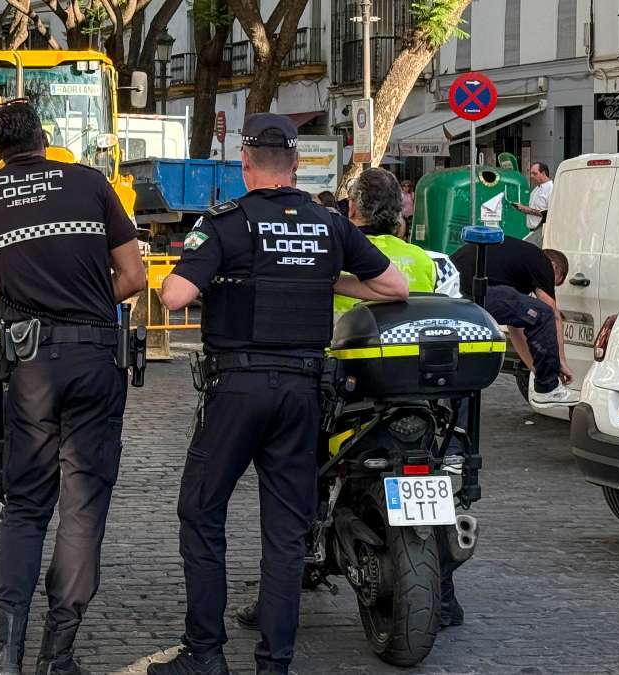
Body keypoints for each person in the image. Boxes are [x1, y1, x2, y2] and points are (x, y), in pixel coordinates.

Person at [148, 114, 409, 675]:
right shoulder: (328, 223)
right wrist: (323, 277)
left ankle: (205, 653)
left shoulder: (223, 223)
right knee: (286, 530)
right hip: (301, 391)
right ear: (295, 167)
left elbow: (173, 297)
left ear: (245, 166)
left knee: (201, 512)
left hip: (236, 389)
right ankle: (275, 664)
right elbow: (395, 286)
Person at [0, 100, 146, 675]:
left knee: (27, 507)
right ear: (44, 139)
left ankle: (6, 653)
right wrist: (82, 301)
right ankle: (59, 655)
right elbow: (132, 276)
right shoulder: (91, 184)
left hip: (30, 365)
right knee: (82, 509)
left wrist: (1, 290)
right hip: (97, 359)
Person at [450, 237, 575, 407]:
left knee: (533, 314)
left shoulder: (514, 266)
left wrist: (538, 371)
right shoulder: (542, 262)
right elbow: (552, 315)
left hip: (450, 288)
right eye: (554, 282)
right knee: (543, 312)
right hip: (475, 288)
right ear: (554, 267)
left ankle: (456, 422)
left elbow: (515, 327)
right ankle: (548, 390)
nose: (548, 286)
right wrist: (560, 363)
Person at [334, 168, 436, 319]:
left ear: (352, 208)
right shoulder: (423, 259)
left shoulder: (335, 255)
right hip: (406, 340)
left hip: (345, 340)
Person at [510, 161, 553, 246]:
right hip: (533, 231)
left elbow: (550, 213)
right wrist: (522, 209)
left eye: (534, 173)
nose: (531, 176)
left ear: (543, 173)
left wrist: (527, 209)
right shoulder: (535, 190)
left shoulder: (551, 189)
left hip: (542, 231)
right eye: (531, 173)